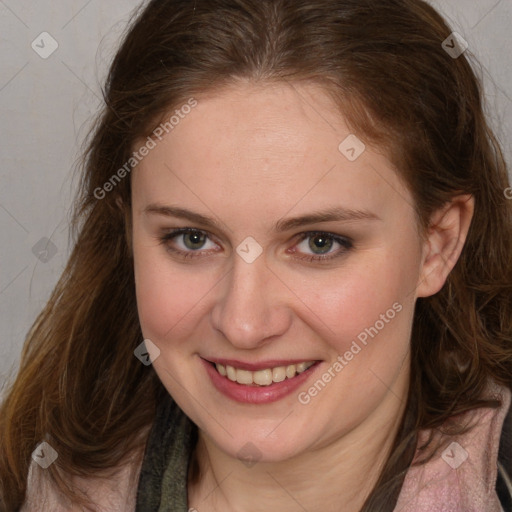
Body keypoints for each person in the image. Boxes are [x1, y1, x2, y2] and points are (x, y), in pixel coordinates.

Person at [1, 0, 511, 511]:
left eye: (319, 243)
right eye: (192, 238)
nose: (244, 325)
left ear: (437, 245)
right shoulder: (41, 483)